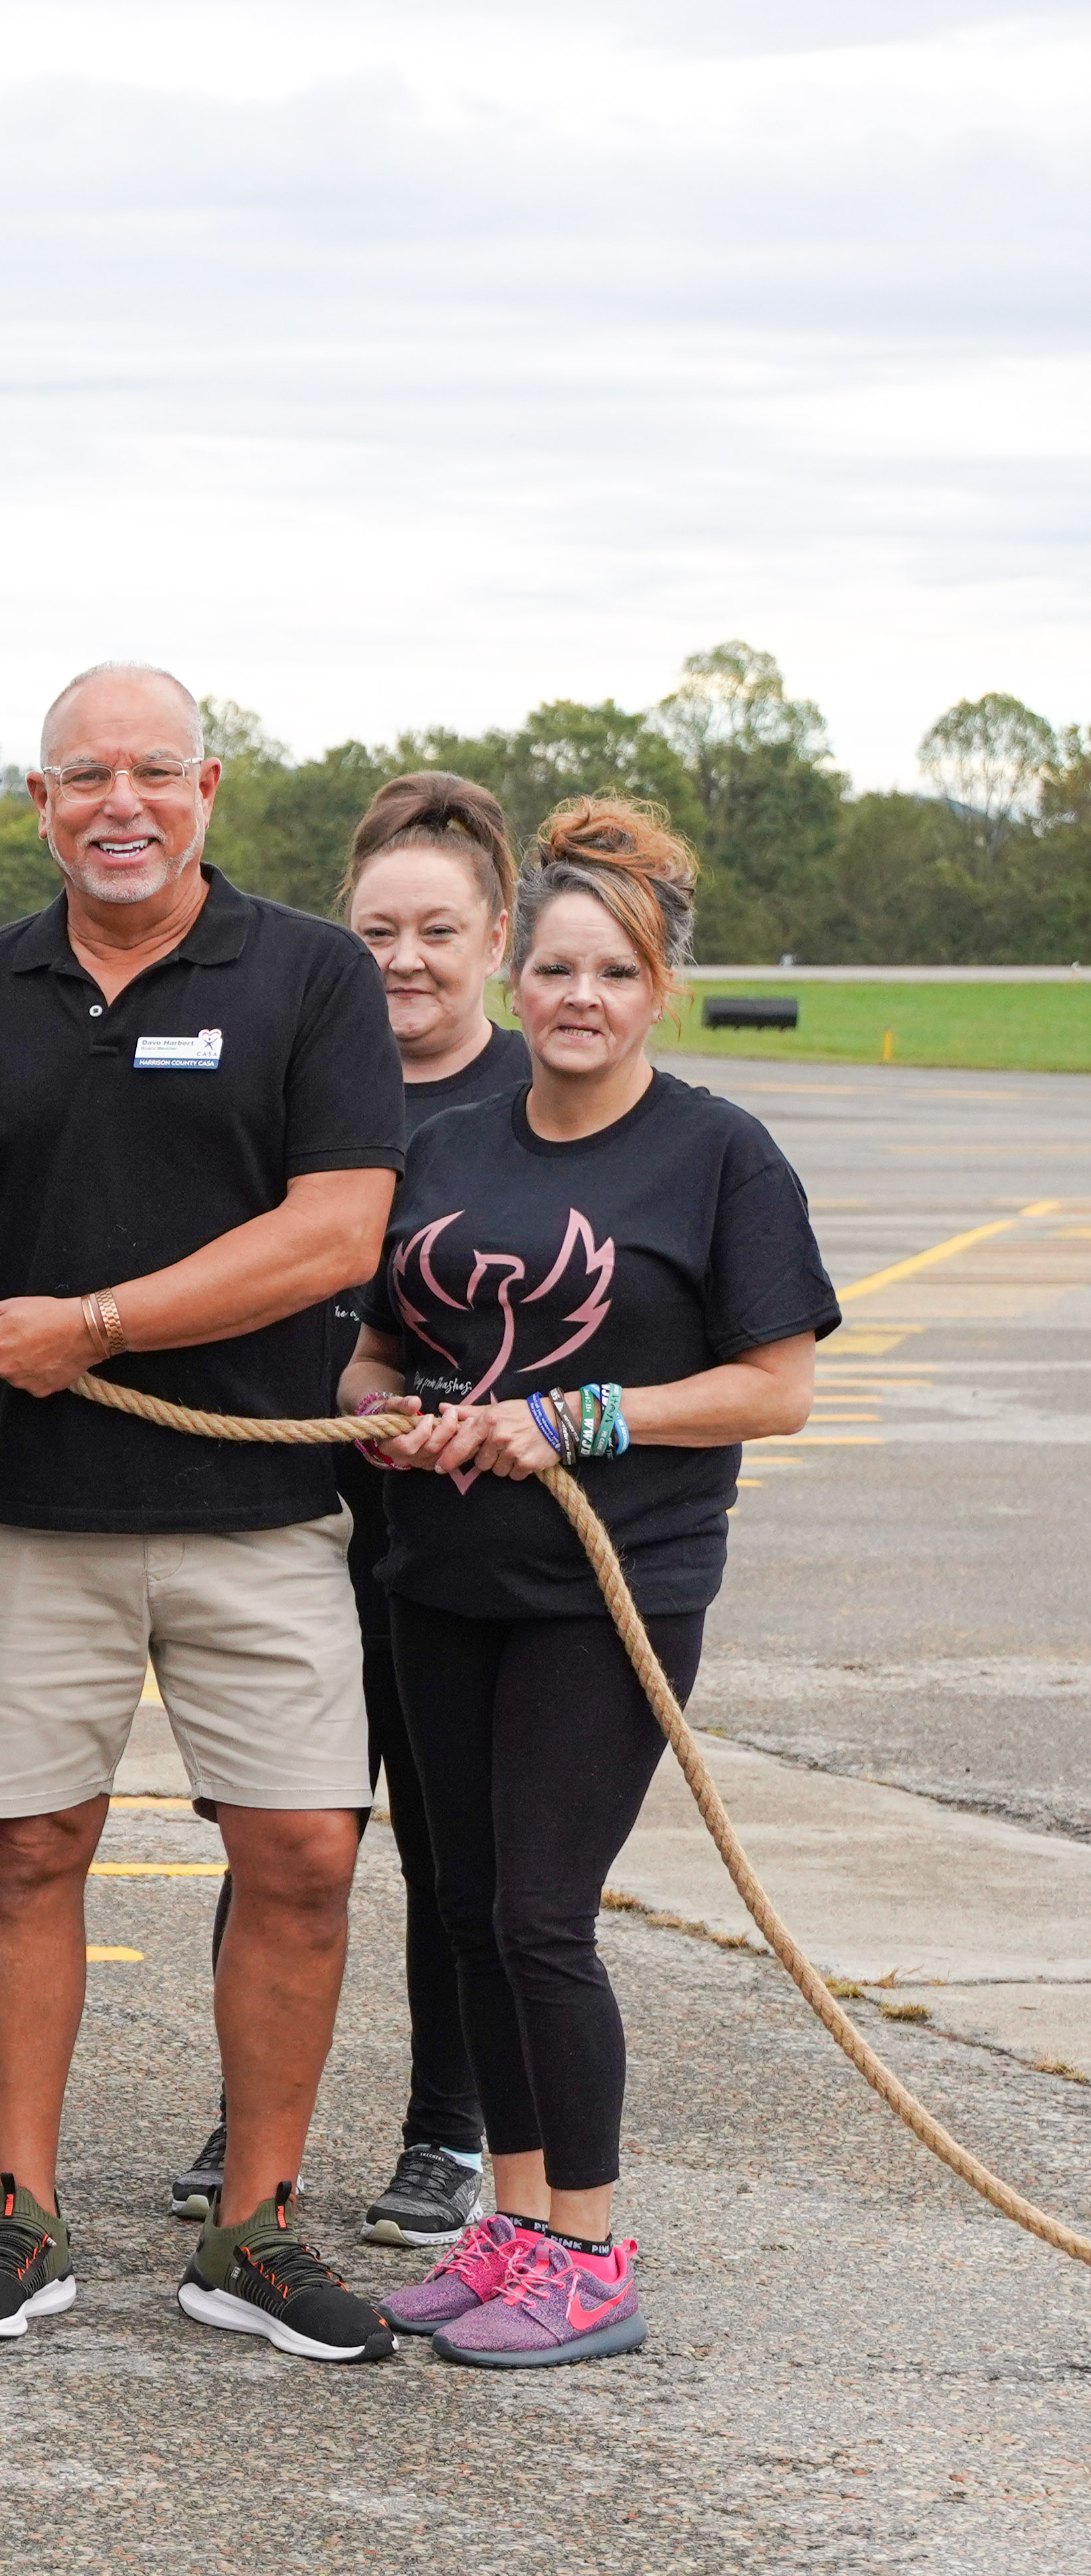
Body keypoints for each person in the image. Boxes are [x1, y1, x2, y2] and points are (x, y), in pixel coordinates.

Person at [0, 664, 409, 2361]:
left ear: (207, 788)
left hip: (257, 1501)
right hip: (33, 1511)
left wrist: (94, 1321)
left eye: (151, 773)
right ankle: (17, 2214)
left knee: (301, 1855)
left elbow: (335, 1231)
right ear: (35, 802)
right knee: (31, 1851)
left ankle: (250, 2228)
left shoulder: (310, 975)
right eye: (80, 776)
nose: (119, 803)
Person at [350, 799, 829, 2369]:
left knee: (546, 1915)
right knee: (474, 1911)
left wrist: (581, 1415)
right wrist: (384, 1415)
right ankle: (507, 2223)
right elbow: (375, 1345)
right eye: (552, 969)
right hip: (438, 1573)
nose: (574, 998)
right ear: (513, 976)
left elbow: (771, 1386)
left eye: (608, 973)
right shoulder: (442, 1146)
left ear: (655, 987)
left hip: (604, 1584)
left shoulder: (714, 1155)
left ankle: (588, 2247)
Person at [160, 770, 535, 2251]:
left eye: (438, 930)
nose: (404, 959)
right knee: (282, 1836)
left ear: (493, 938)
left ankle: (446, 2126)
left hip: (459, 1531)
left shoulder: (530, 1096)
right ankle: (252, 2115)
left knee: (453, 1849)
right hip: (286, 1505)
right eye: (376, 926)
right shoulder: (307, 1064)